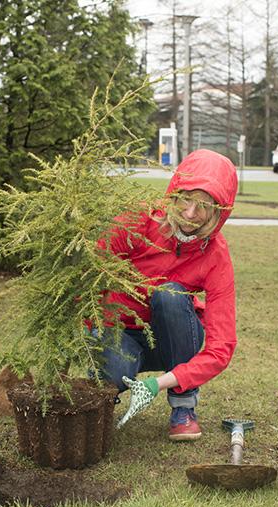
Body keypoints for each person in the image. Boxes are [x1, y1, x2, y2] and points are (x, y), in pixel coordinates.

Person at [96, 149, 238, 441]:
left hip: (174, 338)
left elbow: (221, 348)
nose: (189, 214)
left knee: (170, 294)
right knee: (111, 372)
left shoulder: (216, 255)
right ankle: (101, 399)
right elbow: (91, 269)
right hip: (122, 331)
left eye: (203, 206)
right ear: (174, 192)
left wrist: (159, 384)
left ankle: (183, 407)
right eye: (186, 199)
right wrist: (84, 331)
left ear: (218, 211)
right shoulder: (140, 219)